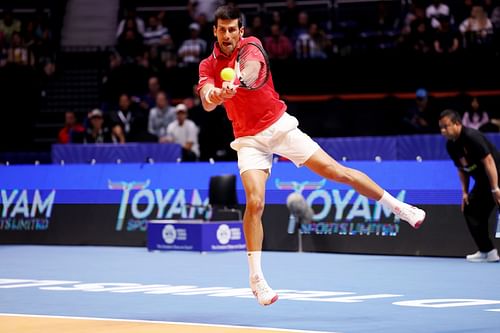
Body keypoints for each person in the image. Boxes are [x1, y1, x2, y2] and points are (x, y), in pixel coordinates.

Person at [197, 5, 426, 307]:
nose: (227, 35)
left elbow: (252, 69)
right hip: (249, 139)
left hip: (279, 127)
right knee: (255, 202)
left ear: (240, 31)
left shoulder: (250, 46)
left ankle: (399, 207)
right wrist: (215, 95)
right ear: (214, 31)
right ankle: (256, 279)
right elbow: (206, 100)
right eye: (221, 29)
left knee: (337, 172)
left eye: (232, 29)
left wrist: (235, 83)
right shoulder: (207, 64)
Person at [438, 109, 500, 263]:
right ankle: (487, 251)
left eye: (446, 126)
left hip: (496, 178)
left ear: (457, 124)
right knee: (470, 208)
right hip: (483, 182)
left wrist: (495, 188)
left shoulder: (472, 137)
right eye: (441, 128)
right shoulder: (451, 146)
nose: (443, 131)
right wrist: (464, 192)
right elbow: (461, 169)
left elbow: (489, 162)